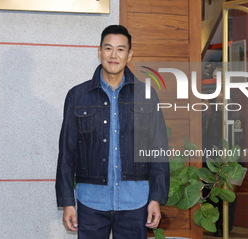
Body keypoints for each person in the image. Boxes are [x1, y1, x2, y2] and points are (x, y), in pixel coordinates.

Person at [55, 25, 170, 239]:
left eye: (120, 49)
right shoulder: (77, 95)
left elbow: (158, 149)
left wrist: (156, 197)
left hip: (135, 201)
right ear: (99, 52)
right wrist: (67, 202)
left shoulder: (146, 95)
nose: (113, 55)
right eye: (108, 48)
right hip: (91, 201)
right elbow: (67, 153)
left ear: (129, 54)